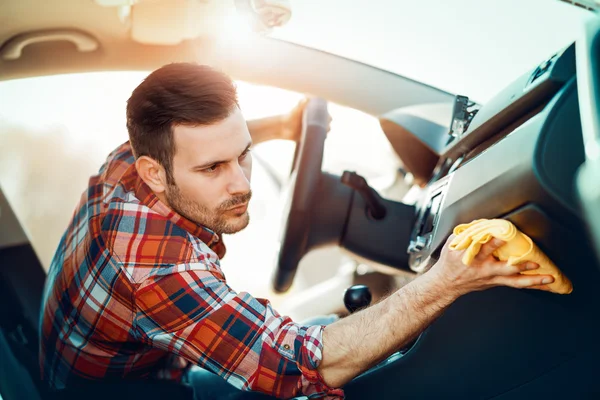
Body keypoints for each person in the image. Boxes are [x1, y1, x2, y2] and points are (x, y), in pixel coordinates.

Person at [39, 63, 555, 400]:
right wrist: (448, 280)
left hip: (102, 368)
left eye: (243, 152)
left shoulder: (129, 159)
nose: (242, 184)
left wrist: (282, 126)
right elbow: (298, 368)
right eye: (213, 169)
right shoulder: (159, 270)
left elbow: (211, 142)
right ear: (155, 172)